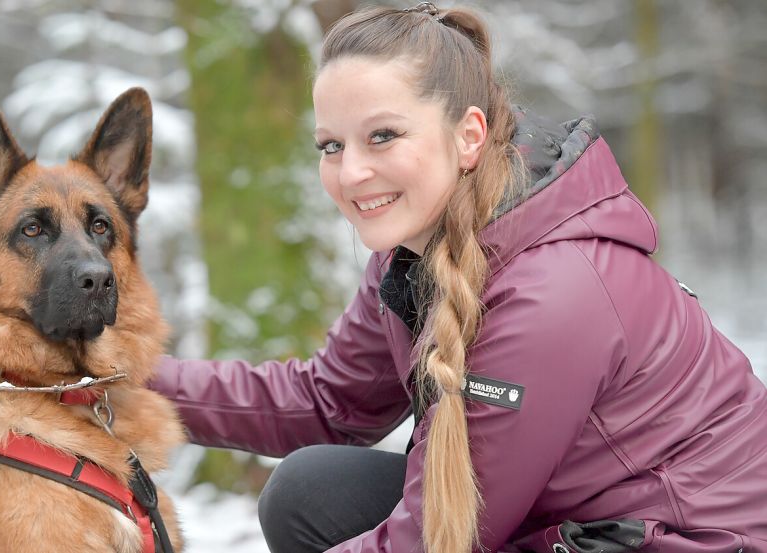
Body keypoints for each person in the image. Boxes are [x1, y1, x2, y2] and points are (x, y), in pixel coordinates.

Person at [151, 3, 767, 552]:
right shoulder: (414, 251)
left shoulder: (552, 294)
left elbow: (436, 537)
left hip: (674, 537)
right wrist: (125, 381)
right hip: (559, 519)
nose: (352, 172)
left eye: (383, 136)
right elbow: (327, 402)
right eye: (331, 146)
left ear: (469, 135)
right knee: (310, 492)